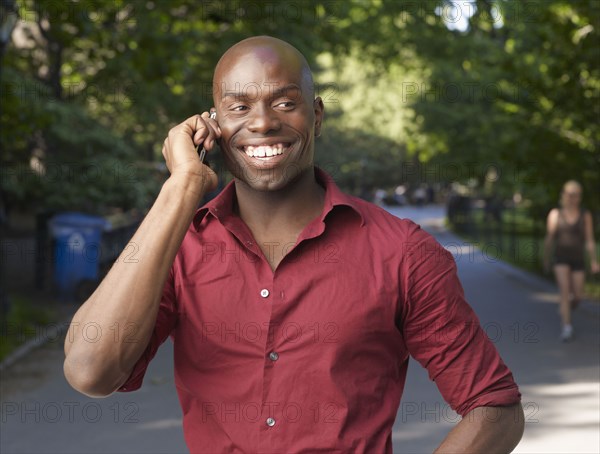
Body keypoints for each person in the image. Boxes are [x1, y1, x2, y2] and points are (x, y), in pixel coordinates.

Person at [64, 36, 524, 453]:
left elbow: (494, 407)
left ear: (317, 115)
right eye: (239, 108)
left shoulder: (401, 252)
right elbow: (91, 371)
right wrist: (182, 187)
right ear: (213, 125)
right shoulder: (180, 248)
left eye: (285, 103)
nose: (262, 123)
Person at [544, 180, 599, 342]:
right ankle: (567, 327)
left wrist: (594, 260)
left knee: (577, 296)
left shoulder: (585, 215)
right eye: (570, 194)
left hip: (578, 259)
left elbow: (589, 239)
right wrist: (546, 258)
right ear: (564, 195)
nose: (573, 198)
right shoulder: (555, 214)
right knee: (564, 291)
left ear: (580, 197)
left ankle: (565, 308)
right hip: (560, 258)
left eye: (576, 195)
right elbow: (549, 238)